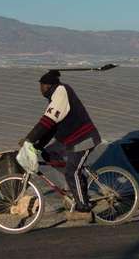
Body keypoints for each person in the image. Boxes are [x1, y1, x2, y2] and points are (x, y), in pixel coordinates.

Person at [18, 69, 101, 221]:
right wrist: (38, 145)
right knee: (48, 154)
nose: (40, 89)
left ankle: (83, 209)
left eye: (41, 86)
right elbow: (51, 127)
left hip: (83, 138)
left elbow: (47, 122)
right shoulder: (55, 95)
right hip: (71, 139)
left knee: (72, 172)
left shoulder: (61, 93)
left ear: (47, 86)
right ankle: (78, 185)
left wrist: (29, 139)